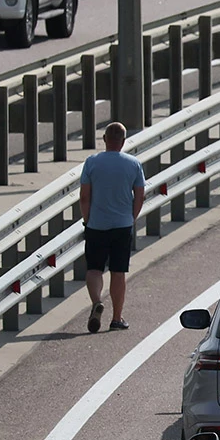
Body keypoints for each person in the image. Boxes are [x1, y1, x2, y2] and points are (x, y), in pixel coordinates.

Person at [79, 122, 146, 333]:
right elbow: (140, 195)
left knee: (94, 268)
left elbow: (84, 196)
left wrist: (87, 219)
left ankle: (97, 301)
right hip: (122, 224)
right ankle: (117, 318)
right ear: (123, 141)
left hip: (97, 224)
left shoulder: (92, 162)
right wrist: (132, 217)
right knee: (118, 272)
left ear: (105, 139)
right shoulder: (133, 164)